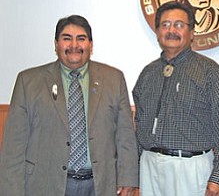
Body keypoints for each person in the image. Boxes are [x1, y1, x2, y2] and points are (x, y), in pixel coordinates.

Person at [0, 15, 139, 196]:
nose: (74, 45)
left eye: (81, 38)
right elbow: (13, 145)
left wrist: (127, 178)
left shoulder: (113, 79)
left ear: (91, 44)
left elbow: (125, 135)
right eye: (67, 38)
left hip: (100, 185)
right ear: (56, 44)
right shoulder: (29, 82)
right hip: (44, 184)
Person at [132, 1, 219, 196]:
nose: (171, 30)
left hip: (191, 170)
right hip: (149, 168)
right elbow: (139, 127)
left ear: (192, 32)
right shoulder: (148, 74)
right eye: (165, 25)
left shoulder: (209, 71)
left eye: (179, 25)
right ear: (157, 31)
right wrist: (131, 174)